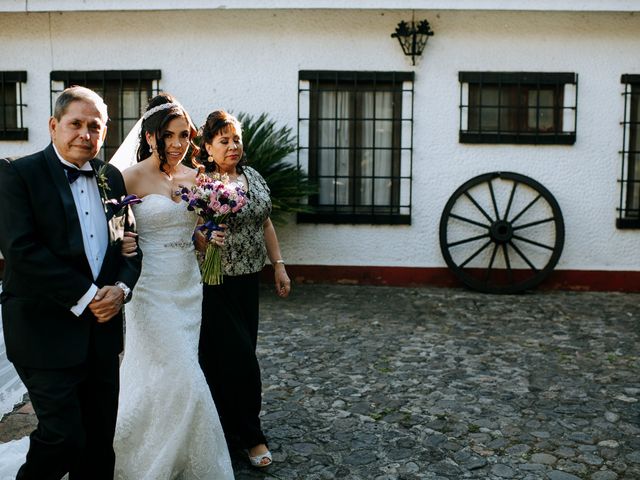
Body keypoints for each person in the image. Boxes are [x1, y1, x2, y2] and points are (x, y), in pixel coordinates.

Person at [0, 86, 142, 479]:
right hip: (42, 331)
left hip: (101, 333)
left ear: (105, 132)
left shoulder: (111, 177)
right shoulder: (17, 173)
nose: (85, 133)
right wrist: (88, 295)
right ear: (53, 126)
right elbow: (20, 250)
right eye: (75, 124)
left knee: (99, 442)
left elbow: (130, 246)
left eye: (94, 126)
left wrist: (122, 289)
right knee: (62, 438)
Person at [112, 93, 234, 479]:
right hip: (148, 287)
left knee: (171, 371)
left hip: (186, 282)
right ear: (151, 137)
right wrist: (122, 243)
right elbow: (109, 230)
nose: (181, 144)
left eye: (185, 135)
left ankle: (178, 452)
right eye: (171, 136)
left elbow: (195, 233)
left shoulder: (197, 179)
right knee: (181, 372)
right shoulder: (128, 177)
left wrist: (208, 238)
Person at [197, 110, 291, 468]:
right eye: (224, 140)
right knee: (238, 360)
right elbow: (192, 234)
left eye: (236, 139)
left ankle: (228, 430)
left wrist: (278, 266)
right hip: (213, 282)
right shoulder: (201, 182)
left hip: (249, 280)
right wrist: (207, 238)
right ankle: (252, 436)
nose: (233, 146)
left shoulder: (252, 175)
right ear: (207, 147)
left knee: (234, 356)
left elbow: (265, 221)